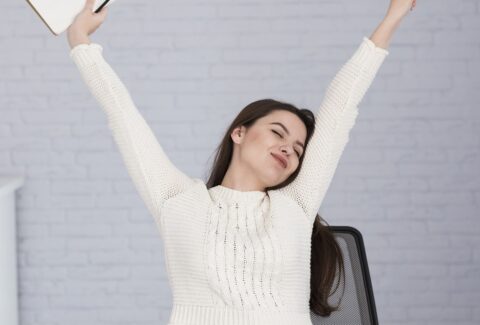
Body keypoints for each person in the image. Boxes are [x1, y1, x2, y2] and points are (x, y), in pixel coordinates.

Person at [67, 0, 416, 324]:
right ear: (239, 133)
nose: (288, 149)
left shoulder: (295, 205)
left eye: (298, 148)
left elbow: (341, 109)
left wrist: (392, 18)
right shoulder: (178, 201)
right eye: (277, 133)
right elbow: (124, 118)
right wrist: (80, 41)